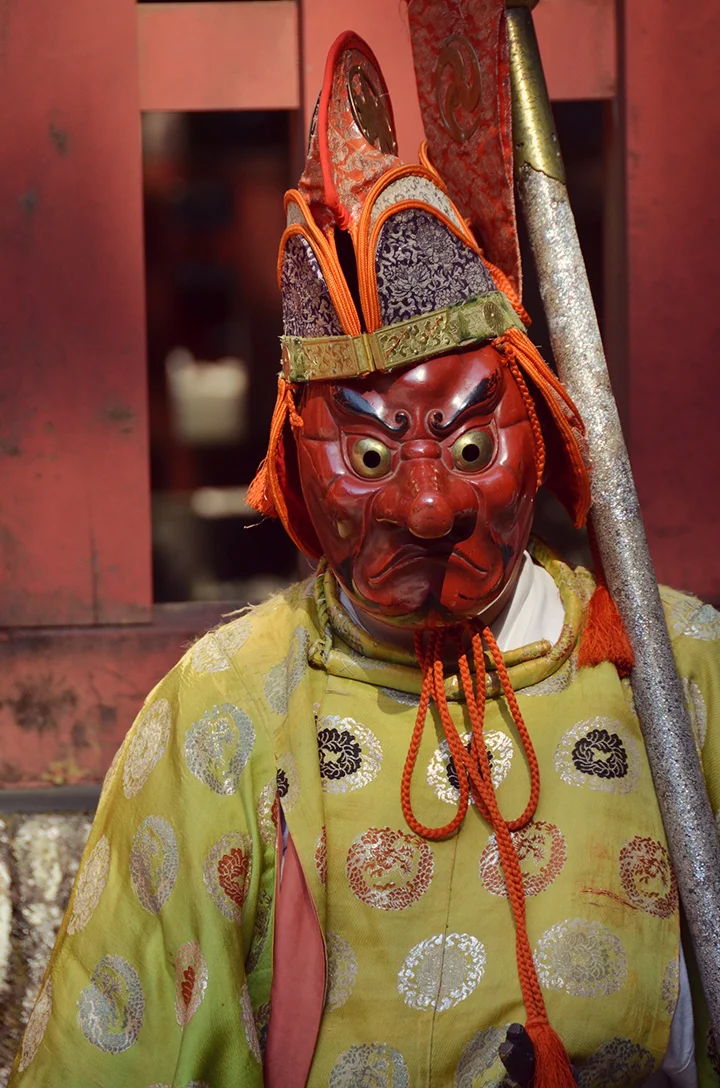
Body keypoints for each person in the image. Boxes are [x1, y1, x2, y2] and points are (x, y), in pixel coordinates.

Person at [9, 31, 720, 1088]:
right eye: (370, 454)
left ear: (546, 431)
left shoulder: (687, 674)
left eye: (472, 445)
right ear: (292, 465)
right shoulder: (225, 713)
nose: (427, 506)